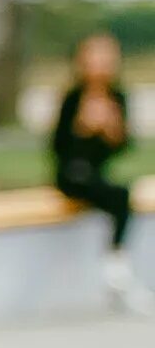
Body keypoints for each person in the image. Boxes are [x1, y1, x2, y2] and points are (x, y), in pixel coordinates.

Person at [52, 30, 147, 314]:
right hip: (71, 174)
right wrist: (81, 129)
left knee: (121, 196)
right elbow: (59, 148)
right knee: (114, 193)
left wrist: (110, 131)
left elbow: (122, 147)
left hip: (96, 174)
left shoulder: (117, 97)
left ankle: (116, 267)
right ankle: (116, 269)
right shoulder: (74, 97)